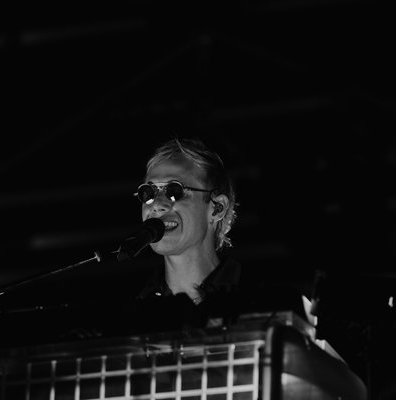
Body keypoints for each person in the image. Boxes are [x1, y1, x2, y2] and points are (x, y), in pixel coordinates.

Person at [123, 137, 307, 335]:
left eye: (174, 190)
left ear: (217, 208)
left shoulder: (267, 302)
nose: (157, 204)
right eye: (148, 192)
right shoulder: (132, 313)